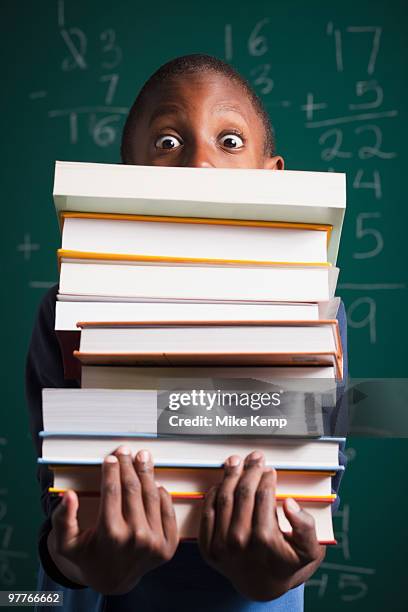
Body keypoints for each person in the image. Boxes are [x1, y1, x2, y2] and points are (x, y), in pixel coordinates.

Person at [26, 54, 348, 611]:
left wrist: (281, 575)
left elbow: (316, 498)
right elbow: (57, 512)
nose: (200, 163)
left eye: (228, 141)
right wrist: (79, 563)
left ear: (272, 178)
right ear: (124, 179)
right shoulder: (64, 310)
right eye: (169, 142)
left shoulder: (320, 314)